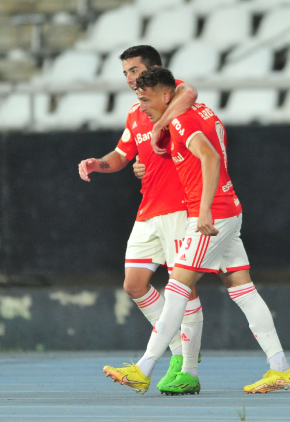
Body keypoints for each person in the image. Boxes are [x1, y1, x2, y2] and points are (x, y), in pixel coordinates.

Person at [111, 66, 290, 395]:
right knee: (243, 290)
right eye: (138, 99)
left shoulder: (180, 120)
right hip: (229, 207)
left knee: (177, 289)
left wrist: (205, 209)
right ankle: (280, 368)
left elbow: (209, 158)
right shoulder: (199, 112)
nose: (141, 105)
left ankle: (144, 368)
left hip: (213, 214)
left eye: (147, 99)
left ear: (167, 95)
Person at [77, 46, 203, 395]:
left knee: (184, 286)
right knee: (134, 285)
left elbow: (189, 91)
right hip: (149, 210)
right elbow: (121, 154)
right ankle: (179, 349)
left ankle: (187, 368)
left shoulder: (175, 98)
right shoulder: (136, 112)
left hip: (180, 207)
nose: (130, 79)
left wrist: (162, 121)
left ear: (155, 70)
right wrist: (98, 164)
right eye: (126, 73)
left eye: (135, 70)